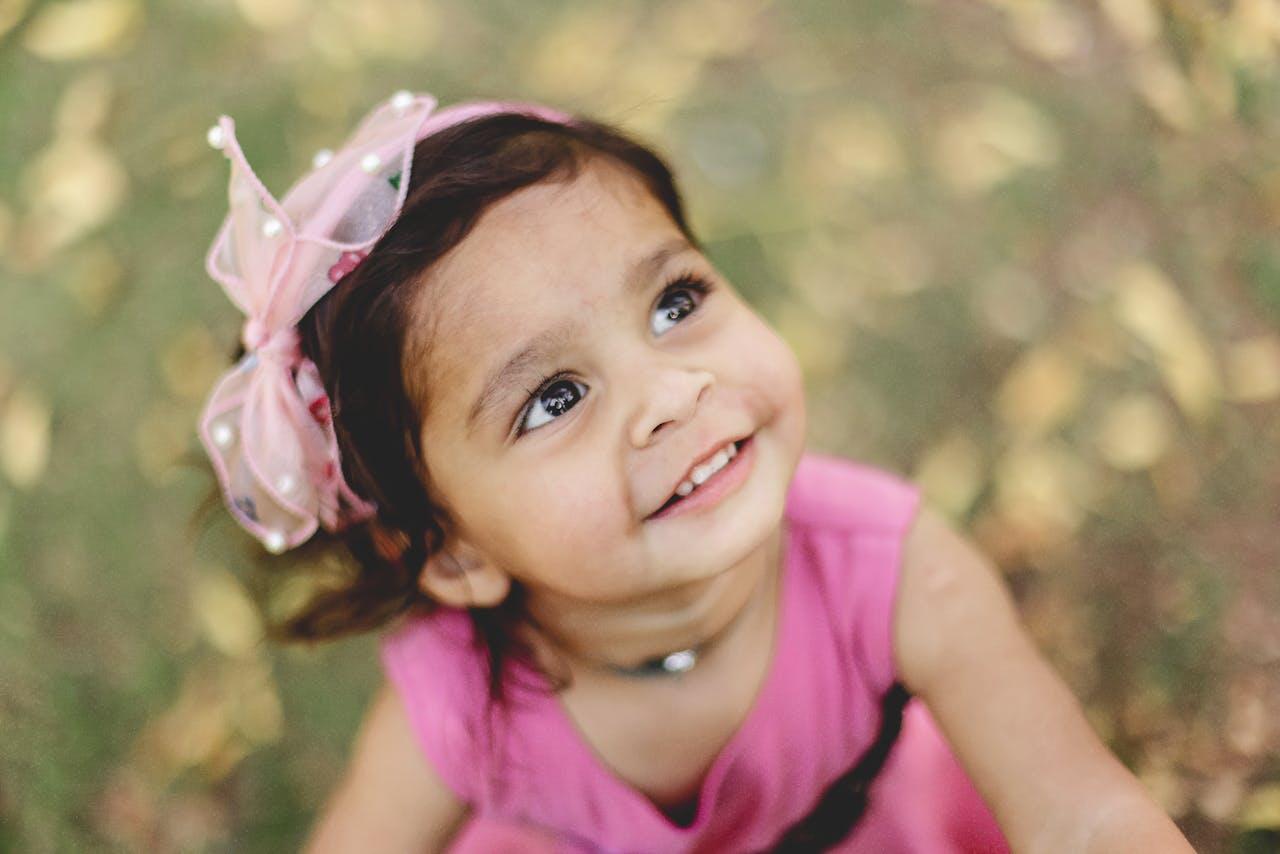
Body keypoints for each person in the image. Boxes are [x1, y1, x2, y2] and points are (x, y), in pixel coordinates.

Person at [196, 90, 1194, 852]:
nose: (671, 392)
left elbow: (1083, 815)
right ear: (453, 551)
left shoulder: (891, 570)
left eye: (674, 301)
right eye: (553, 398)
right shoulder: (464, 700)